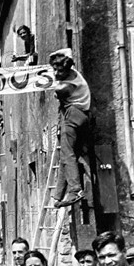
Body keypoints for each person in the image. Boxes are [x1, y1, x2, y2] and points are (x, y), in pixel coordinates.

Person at [49, 48, 91, 208]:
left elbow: (56, 93)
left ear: (66, 69)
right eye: (55, 69)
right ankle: (58, 196)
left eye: (59, 70)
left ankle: (75, 190)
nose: (56, 73)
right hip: (83, 117)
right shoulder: (73, 72)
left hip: (72, 116)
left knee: (67, 155)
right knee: (66, 158)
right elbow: (67, 50)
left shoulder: (65, 87)